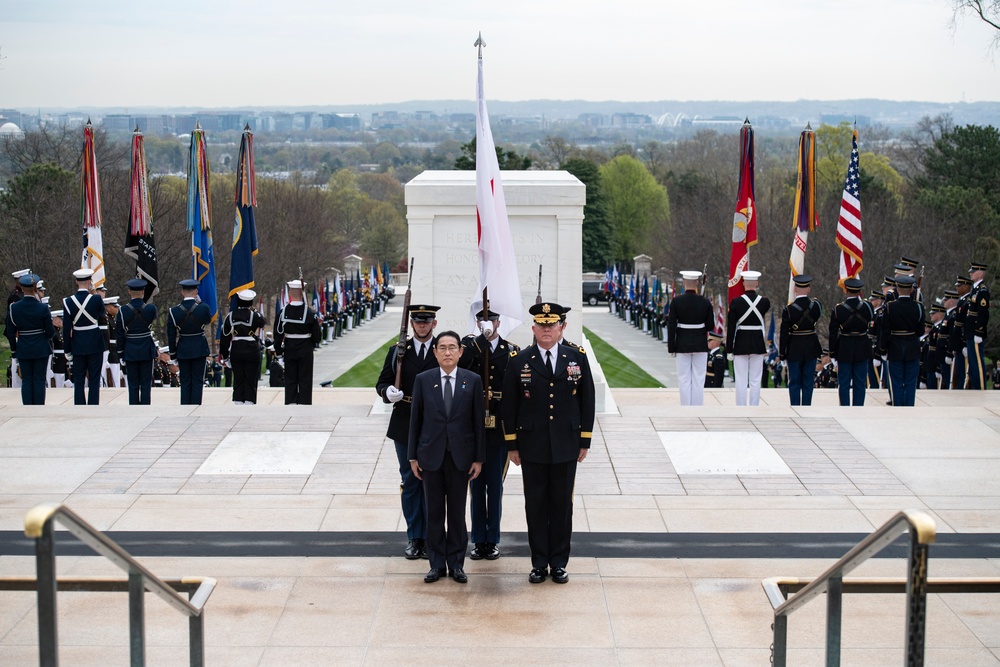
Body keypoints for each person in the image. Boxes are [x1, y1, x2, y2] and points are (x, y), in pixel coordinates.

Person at [501, 302, 595, 585]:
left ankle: (559, 563)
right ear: (533, 328)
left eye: (551, 325)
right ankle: (539, 562)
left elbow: (587, 400)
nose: (546, 330)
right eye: (541, 325)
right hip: (532, 445)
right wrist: (512, 445)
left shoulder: (576, 357)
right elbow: (509, 405)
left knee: (562, 506)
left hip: (566, 444)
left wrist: (585, 440)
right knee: (536, 505)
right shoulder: (520, 360)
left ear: (561, 327)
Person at [408, 331, 485, 584]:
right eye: (442, 347)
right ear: (435, 352)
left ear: (461, 352)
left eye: (453, 347)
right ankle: (437, 564)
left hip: (460, 458)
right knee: (434, 514)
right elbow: (415, 421)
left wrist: (478, 458)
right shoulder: (423, 379)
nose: (448, 352)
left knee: (456, 514)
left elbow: (477, 423)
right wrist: (412, 457)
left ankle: (457, 564)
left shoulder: (472, 381)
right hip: (430, 457)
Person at [375, 304, 440, 559]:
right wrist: (386, 392)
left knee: (433, 481)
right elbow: (382, 382)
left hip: (436, 423)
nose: (422, 326)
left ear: (434, 323)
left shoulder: (443, 349)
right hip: (405, 422)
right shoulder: (398, 352)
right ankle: (415, 537)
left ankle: (433, 536)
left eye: (426, 322)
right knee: (411, 481)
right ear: (412, 324)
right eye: (418, 322)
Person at [459, 309, 519, 561]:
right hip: (473, 426)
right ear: (477, 322)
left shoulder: (512, 350)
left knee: (494, 485)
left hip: (500, 427)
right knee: (476, 484)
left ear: (499, 321)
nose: (488, 325)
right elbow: (460, 365)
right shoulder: (468, 346)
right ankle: (478, 539)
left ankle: (491, 539)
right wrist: (480, 339)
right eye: (482, 321)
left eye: (492, 321)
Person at [5, 273, 56, 404]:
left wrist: (14, 350)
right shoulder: (43, 307)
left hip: (23, 347)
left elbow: (10, 332)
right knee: (39, 379)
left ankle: (27, 407)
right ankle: (38, 407)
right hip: (40, 347)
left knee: (26, 380)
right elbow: (50, 332)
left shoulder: (14, 308)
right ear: (35, 288)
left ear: (22, 288)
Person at [667, 270, 715, 406]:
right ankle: (697, 408)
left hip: (682, 344)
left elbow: (671, 326)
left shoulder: (676, 301)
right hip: (700, 344)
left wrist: (671, 347)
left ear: (683, 283)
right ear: (697, 283)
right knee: (699, 379)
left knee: (684, 379)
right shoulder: (705, 302)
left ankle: (685, 407)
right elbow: (710, 326)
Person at [63, 268, 108, 405]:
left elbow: (66, 328)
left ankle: (79, 405)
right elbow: (102, 313)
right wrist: (94, 291)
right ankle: (93, 405)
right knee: (94, 378)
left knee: (79, 379)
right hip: (94, 342)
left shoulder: (68, 301)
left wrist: (67, 349)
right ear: (90, 282)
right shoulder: (96, 299)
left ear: (76, 281)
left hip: (78, 343)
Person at [878, 275, 925, 407]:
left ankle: (898, 406)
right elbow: (921, 331)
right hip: (912, 347)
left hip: (895, 347)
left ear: (897, 289)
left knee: (896, 380)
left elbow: (885, 330)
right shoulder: (919, 307)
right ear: (911, 290)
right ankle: (909, 406)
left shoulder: (889, 307)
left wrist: (882, 349)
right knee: (910, 381)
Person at [274, 279, 322, 405]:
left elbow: (278, 334)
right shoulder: (310, 313)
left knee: (290, 378)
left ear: (290, 293)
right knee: (305, 379)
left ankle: (291, 402)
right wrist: (311, 343)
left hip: (289, 347)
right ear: (302, 293)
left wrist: (279, 353)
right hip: (305, 348)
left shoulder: (283, 312)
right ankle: (304, 403)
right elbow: (317, 335)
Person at [726, 270, 770, 405]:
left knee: (741, 379)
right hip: (757, 342)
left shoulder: (736, 302)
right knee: (756, 379)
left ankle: (741, 406)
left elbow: (731, 327)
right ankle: (754, 406)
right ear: (756, 284)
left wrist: (728, 349)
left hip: (741, 342)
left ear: (743, 283)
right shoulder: (764, 302)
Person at [828, 277, 874, 406]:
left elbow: (833, 333)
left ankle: (845, 407)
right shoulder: (868, 306)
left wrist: (832, 352)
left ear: (846, 291)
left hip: (845, 347)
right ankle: (858, 408)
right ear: (859, 291)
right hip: (862, 346)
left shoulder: (838, 309)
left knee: (844, 382)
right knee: (860, 382)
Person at [167, 279, 212, 405]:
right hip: (199, 348)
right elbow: (208, 320)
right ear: (196, 292)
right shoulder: (204, 308)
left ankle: (185, 407)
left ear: (182, 292)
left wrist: (173, 354)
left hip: (183, 348)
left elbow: (171, 334)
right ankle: (196, 406)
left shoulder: (174, 311)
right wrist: (199, 303)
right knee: (197, 380)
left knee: (185, 381)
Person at [780, 274, 823, 406]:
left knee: (794, 381)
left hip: (794, 347)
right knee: (808, 381)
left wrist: (782, 354)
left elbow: (784, 333)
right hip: (811, 346)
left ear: (795, 289)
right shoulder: (816, 306)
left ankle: (795, 406)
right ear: (809, 289)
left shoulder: (788, 309)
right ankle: (806, 407)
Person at [220, 289, 267, 405]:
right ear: (251, 302)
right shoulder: (255, 315)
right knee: (251, 378)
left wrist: (225, 357)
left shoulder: (230, 316)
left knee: (238, 378)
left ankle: (238, 403)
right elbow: (263, 322)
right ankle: (249, 403)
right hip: (251, 348)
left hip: (236, 349)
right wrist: (254, 309)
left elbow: (224, 338)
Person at [116, 278, 158, 405]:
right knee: (146, 383)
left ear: (129, 292)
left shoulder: (123, 310)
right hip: (146, 348)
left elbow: (120, 333)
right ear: (143, 292)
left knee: (133, 383)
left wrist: (120, 352)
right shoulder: (151, 309)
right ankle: (145, 407)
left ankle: (133, 407)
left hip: (130, 349)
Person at [966, 262, 990, 390]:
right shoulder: (974, 290)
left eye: (973, 271)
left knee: (978, 362)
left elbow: (983, 314)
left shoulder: (982, 290)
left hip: (976, 331)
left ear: (980, 273)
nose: (970, 273)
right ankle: (975, 387)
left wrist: (979, 332)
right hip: (970, 330)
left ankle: (980, 387)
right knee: (973, 362)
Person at [950, 275, 973, 390]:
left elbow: (966, 324)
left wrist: (964, 343)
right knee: (959, 372)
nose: (957, 288)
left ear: (966, 286)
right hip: (958, 343)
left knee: (964, 372)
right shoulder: (962, 301)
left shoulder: (968, 302)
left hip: (962, 341)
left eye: (960, 285)